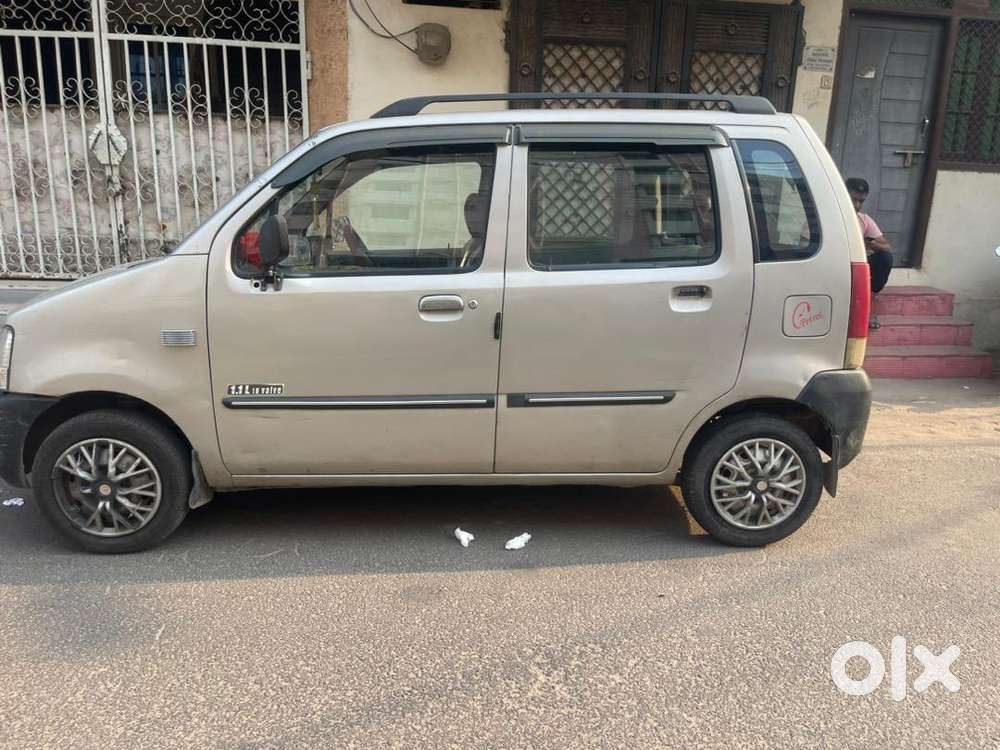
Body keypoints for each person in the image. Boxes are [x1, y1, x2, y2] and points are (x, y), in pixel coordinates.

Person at [845, 177, 893, 329]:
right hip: (835, 265)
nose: (857, 205)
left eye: (861, 201)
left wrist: (870, 243)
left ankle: (868, 305)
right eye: (853, 200)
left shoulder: (864, 220)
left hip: (858, 267)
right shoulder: (827, 216)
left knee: (885, 258)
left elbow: (886, 246)